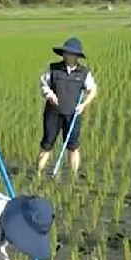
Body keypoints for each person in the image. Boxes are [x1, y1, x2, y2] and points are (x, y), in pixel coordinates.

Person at [36, 37, 97, 176]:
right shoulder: (53, 69)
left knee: (73, 146)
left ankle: (73, 176)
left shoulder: (83, 73)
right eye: (66, 53)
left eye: (71, 53)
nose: (68, 55)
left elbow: (92, 90)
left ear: (76, 56)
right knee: (47, 144)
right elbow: (43, 85)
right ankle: (38, 174)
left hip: (73, 114)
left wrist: (83, 105)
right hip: (53, 113)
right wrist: (50, 95)